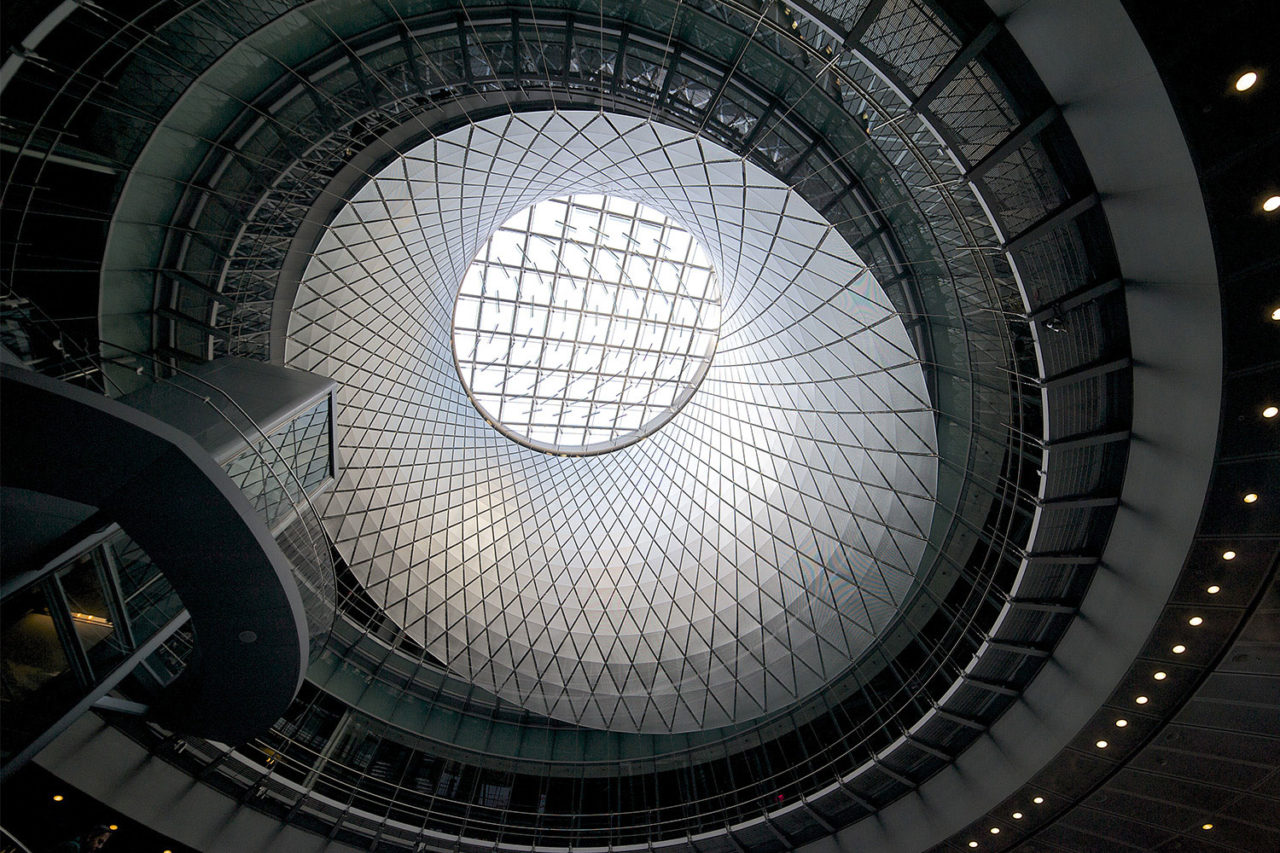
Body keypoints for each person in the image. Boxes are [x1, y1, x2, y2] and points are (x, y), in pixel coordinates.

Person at [46, 825, 111, 852]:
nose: (100, 847)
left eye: (102, 844)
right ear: (90, 837)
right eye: (99, 842)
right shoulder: (72, 847)